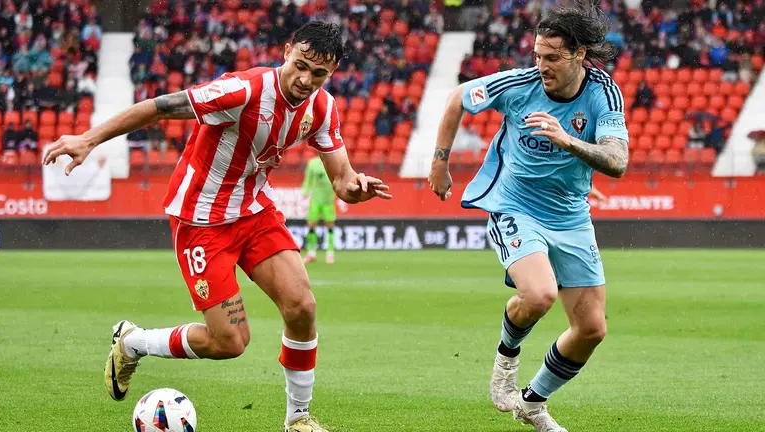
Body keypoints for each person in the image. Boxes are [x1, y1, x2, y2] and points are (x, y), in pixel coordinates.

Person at [42, 21, 392, 432]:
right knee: (230, 343)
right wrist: (89, 138)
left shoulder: (322, 108)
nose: (306, 80)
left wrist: (357, 188)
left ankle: (297, 420)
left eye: (319, 74)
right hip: (201, 220)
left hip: (253, 212)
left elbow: (342, 180)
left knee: (303, 307)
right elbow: (159, 107)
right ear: (286, 52)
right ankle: (133, 342)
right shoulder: (241, 91)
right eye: (301, 66)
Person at [428, 1, 629, 431]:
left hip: (571, 214)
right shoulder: (519, 84)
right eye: (537, 54)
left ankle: (532, 403)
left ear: (579, 55)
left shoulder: (603, 93)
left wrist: (567, 140)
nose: (541, 65)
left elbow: (617, 160)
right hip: (514, 203)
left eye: (552, 57)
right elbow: (457, 97)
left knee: (591, 329)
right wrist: (439, 163)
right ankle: (506, 360)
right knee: (539, 295)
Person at [301, 154, 337, 264]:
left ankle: (330, 253)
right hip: (315, 200)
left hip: (328, 201)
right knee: (311, 225)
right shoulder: (312, 164)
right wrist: (304, 193)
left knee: (330, 226)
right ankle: (311, 253)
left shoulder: (333, 162)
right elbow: (308, 179)